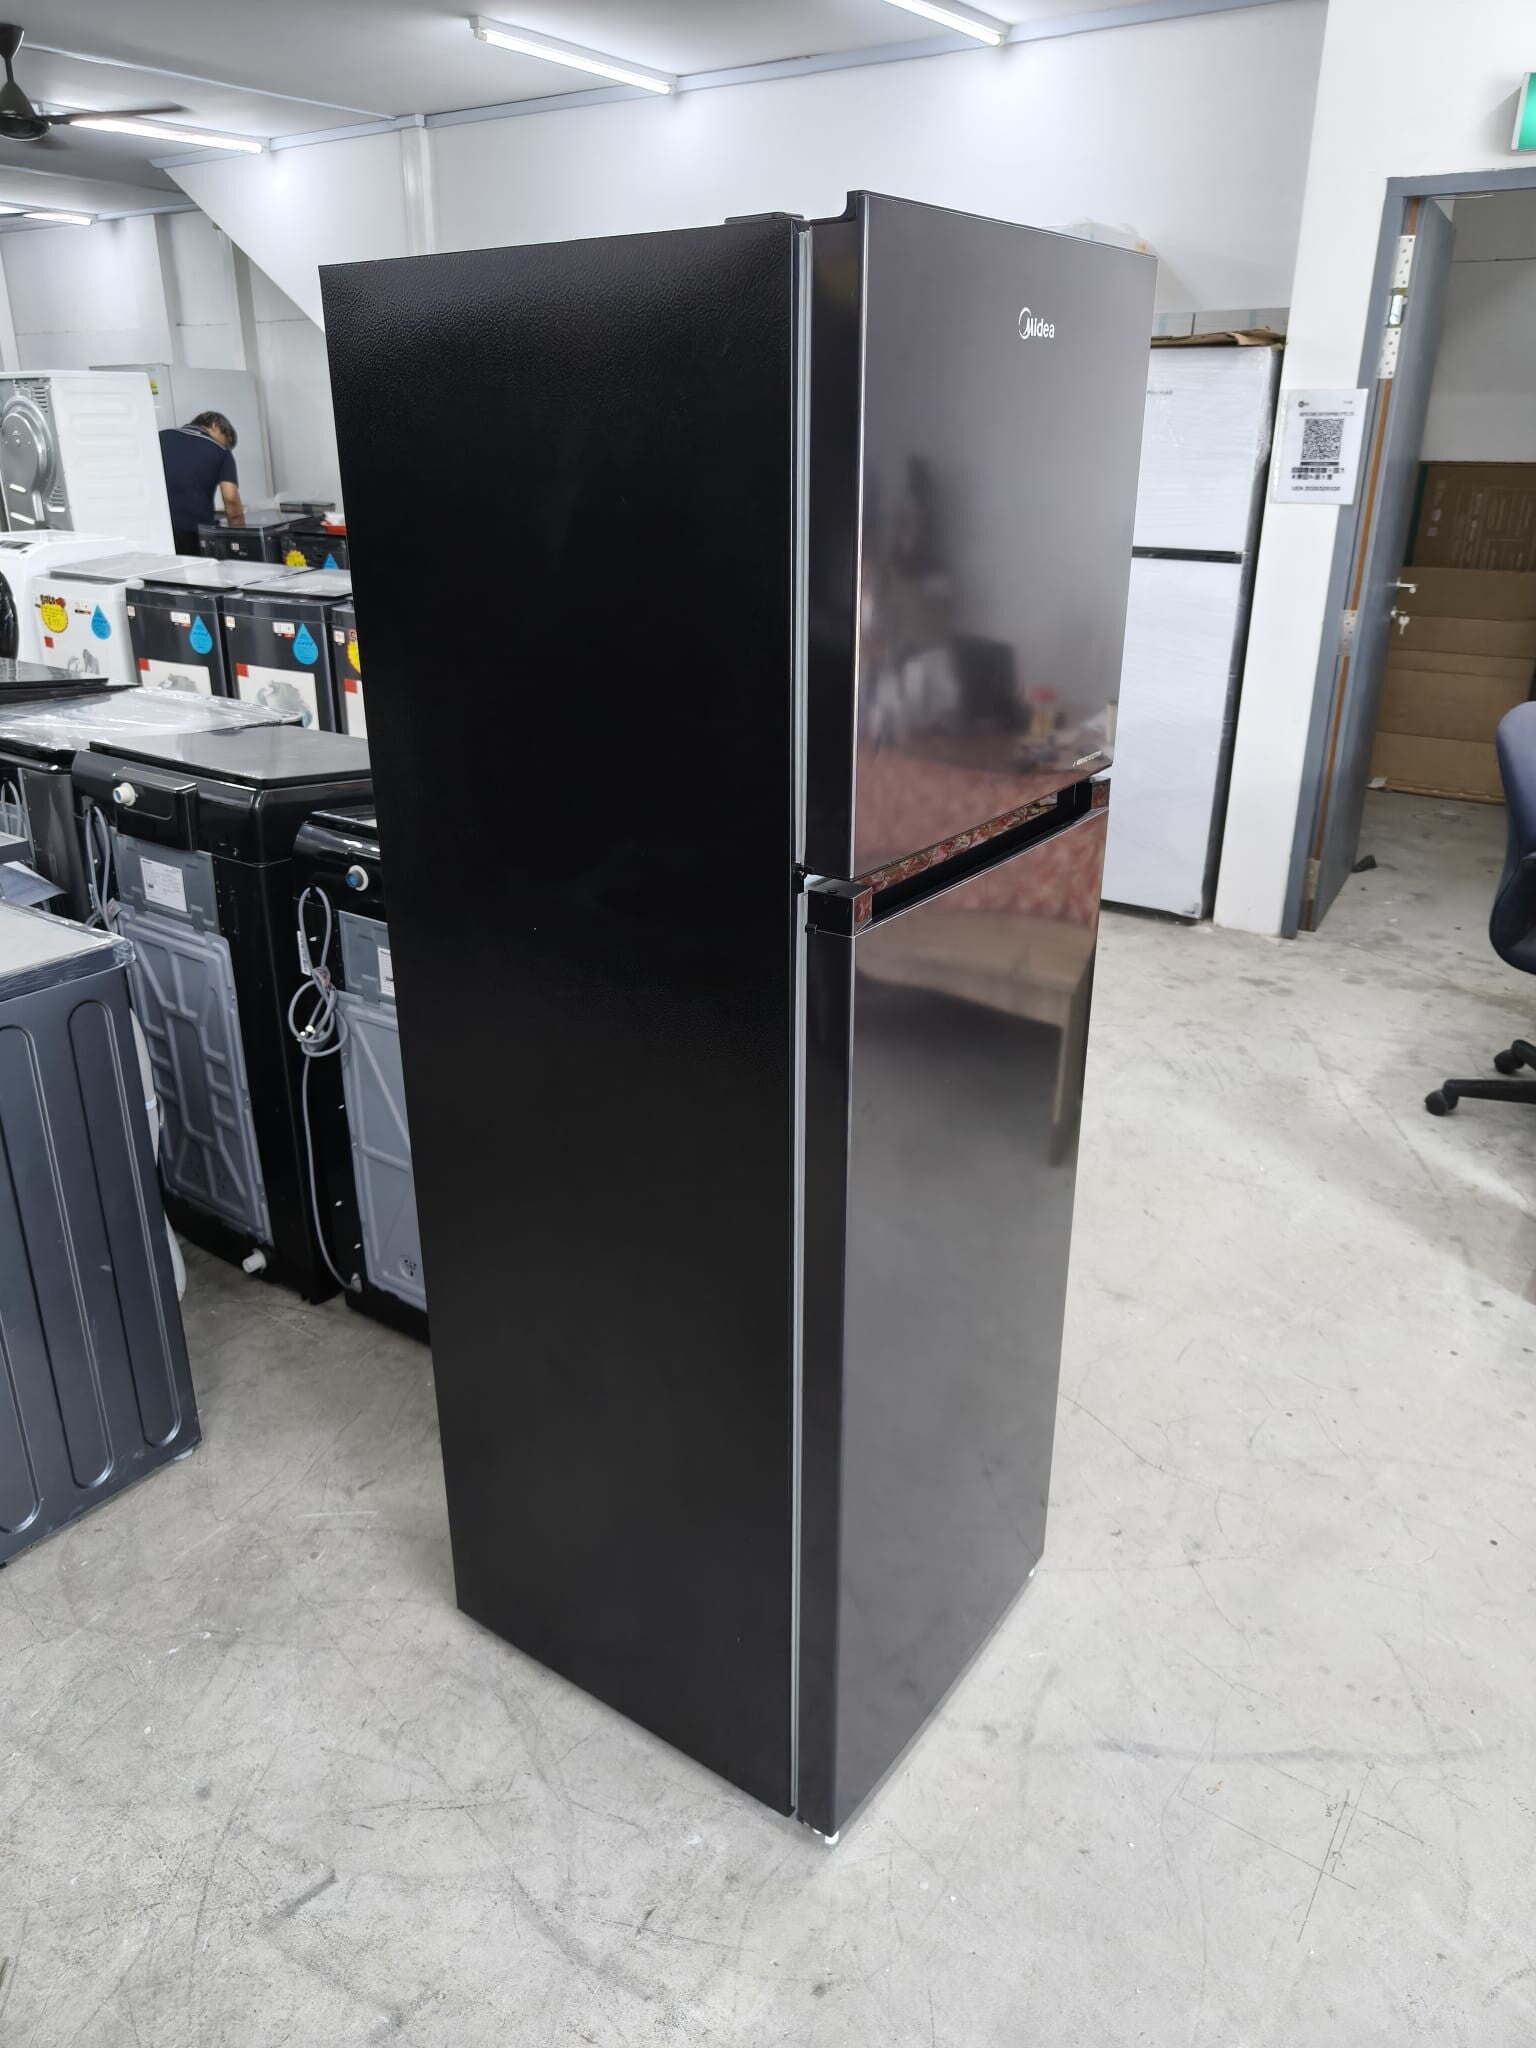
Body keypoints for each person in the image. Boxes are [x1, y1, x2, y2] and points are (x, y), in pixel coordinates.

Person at [159, 410, 245, 554]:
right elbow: (230, 499)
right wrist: (241, 541)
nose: (224, 446)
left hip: (158, 530)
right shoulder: (221, 452)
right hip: (194, 535)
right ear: (214, 425)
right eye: (225, 442)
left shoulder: (160, 437)